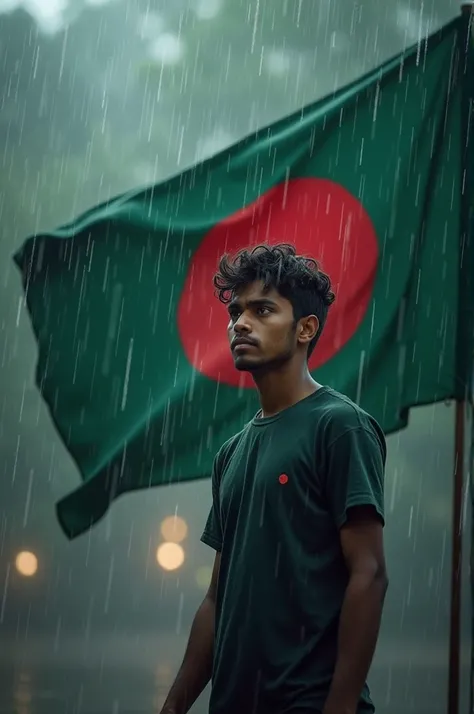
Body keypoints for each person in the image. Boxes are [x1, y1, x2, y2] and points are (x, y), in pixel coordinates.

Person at [160, 243, 388, 714]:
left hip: (309, 702)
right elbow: (215, 601)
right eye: (236, 311)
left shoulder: (340, 426)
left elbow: (369, 573)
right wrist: (172, 707)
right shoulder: (231, 453)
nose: (241, 323)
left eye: (263, 310)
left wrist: (340, 706)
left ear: (306, 328)